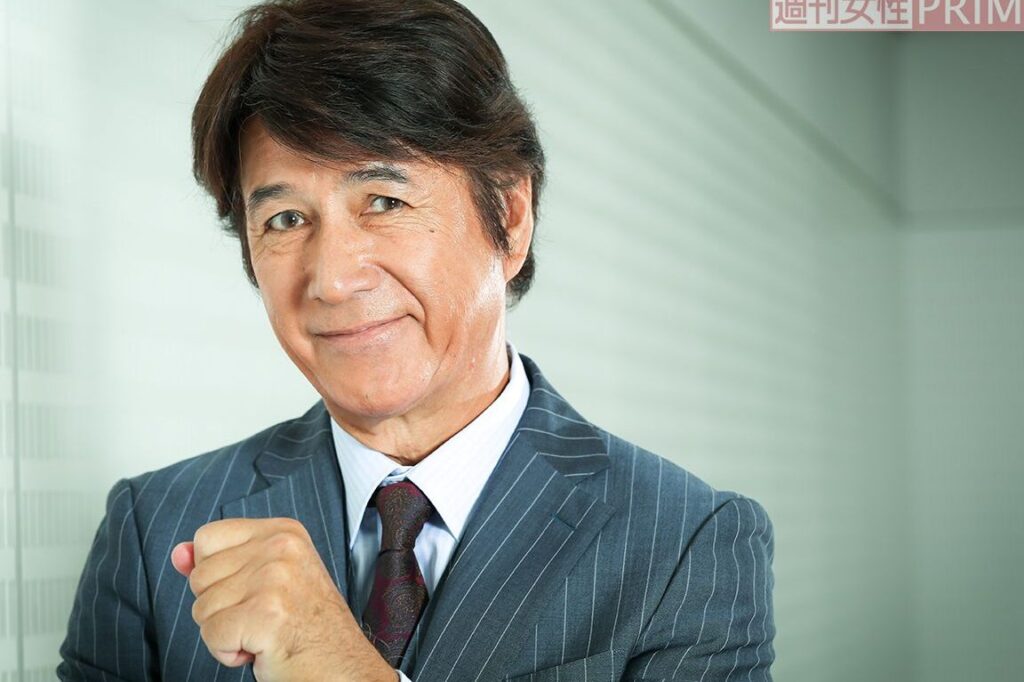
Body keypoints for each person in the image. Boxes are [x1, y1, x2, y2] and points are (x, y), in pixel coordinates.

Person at [58, 0, 776, 680]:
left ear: (510, 217)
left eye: (384, 201)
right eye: (285, 220)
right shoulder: (155, 531)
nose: (332, 279)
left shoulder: (686, 545)